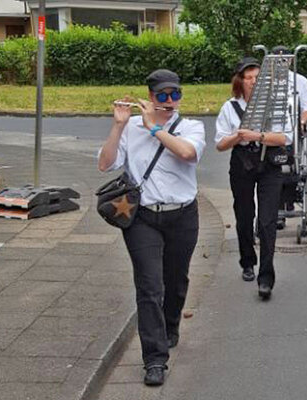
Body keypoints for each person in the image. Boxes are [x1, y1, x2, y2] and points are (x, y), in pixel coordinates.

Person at [98, 69, 205, 386]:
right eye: (162, 96)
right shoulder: (131, 127)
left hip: (183, 215)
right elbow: (105, 164)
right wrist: (118, 126)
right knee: (149, 287)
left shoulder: (191, 127)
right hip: (142, 217)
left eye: (175, 95)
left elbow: (187, 154)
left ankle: (171, 325)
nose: (170, 101)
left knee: (176, 281)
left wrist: (155, 128)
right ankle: (154, 359)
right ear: (150, 96)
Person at [215, 57, 293, 301]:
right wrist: (239, 136)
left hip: (269, 163)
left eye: (258, 78)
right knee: (244, 214)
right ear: (240, 81)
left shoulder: (276, 105)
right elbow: (220, 144)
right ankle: (247, 260)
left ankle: (266, 277)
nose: (253, 82)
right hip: (242, 162)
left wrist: (258, 135)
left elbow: (285, 138)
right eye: (249, 78)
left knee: (268, 220)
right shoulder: (230, 107)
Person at [270, 45, 307, 230]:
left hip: (293, 131)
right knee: (273, 168)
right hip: (270, 132)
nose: (281, 63)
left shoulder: (300, 81)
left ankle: (289, 200)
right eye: (277, 60)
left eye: (285, 59)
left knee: (291, 166)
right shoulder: (265, 81)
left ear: (290, 60)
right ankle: (277, 209)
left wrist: (302, 123)